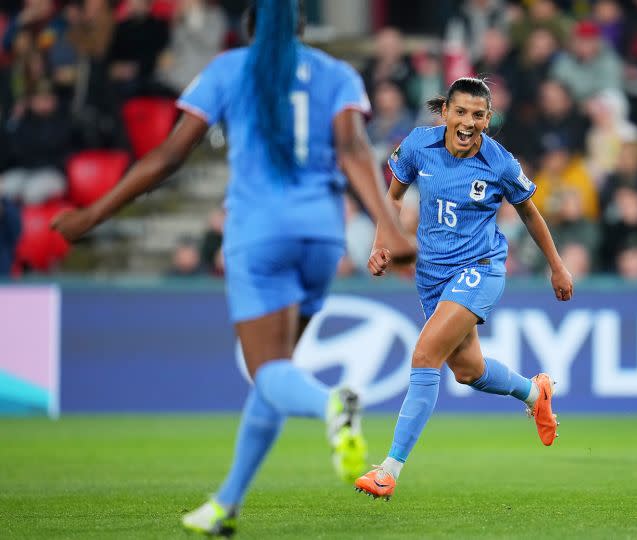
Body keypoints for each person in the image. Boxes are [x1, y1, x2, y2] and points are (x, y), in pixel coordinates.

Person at [50, 1, 414, 536]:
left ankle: (330, 404)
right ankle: (226, 504)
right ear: (301, 28)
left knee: (269, 370)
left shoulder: (228, 69)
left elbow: (170, 157)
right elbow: (354, 150)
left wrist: (93, 213)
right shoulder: (336, 73)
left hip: (259, 232)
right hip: (321, 234)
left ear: (245, 29)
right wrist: (391, 229)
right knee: (274, 371)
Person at [353, 77, 574, 501]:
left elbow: (530, 213)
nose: (468, 122)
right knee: (469, 370)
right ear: (446, 114)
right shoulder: (419, 145)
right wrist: (382, 242)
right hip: (431, 273)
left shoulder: (500, 163)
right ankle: (534, 391)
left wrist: (557, 267)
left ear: (488, 120)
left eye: (478, 115)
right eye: (461, 112)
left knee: (425, 355)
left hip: (481, 267)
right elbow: (393, 197)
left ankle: (388, 469)